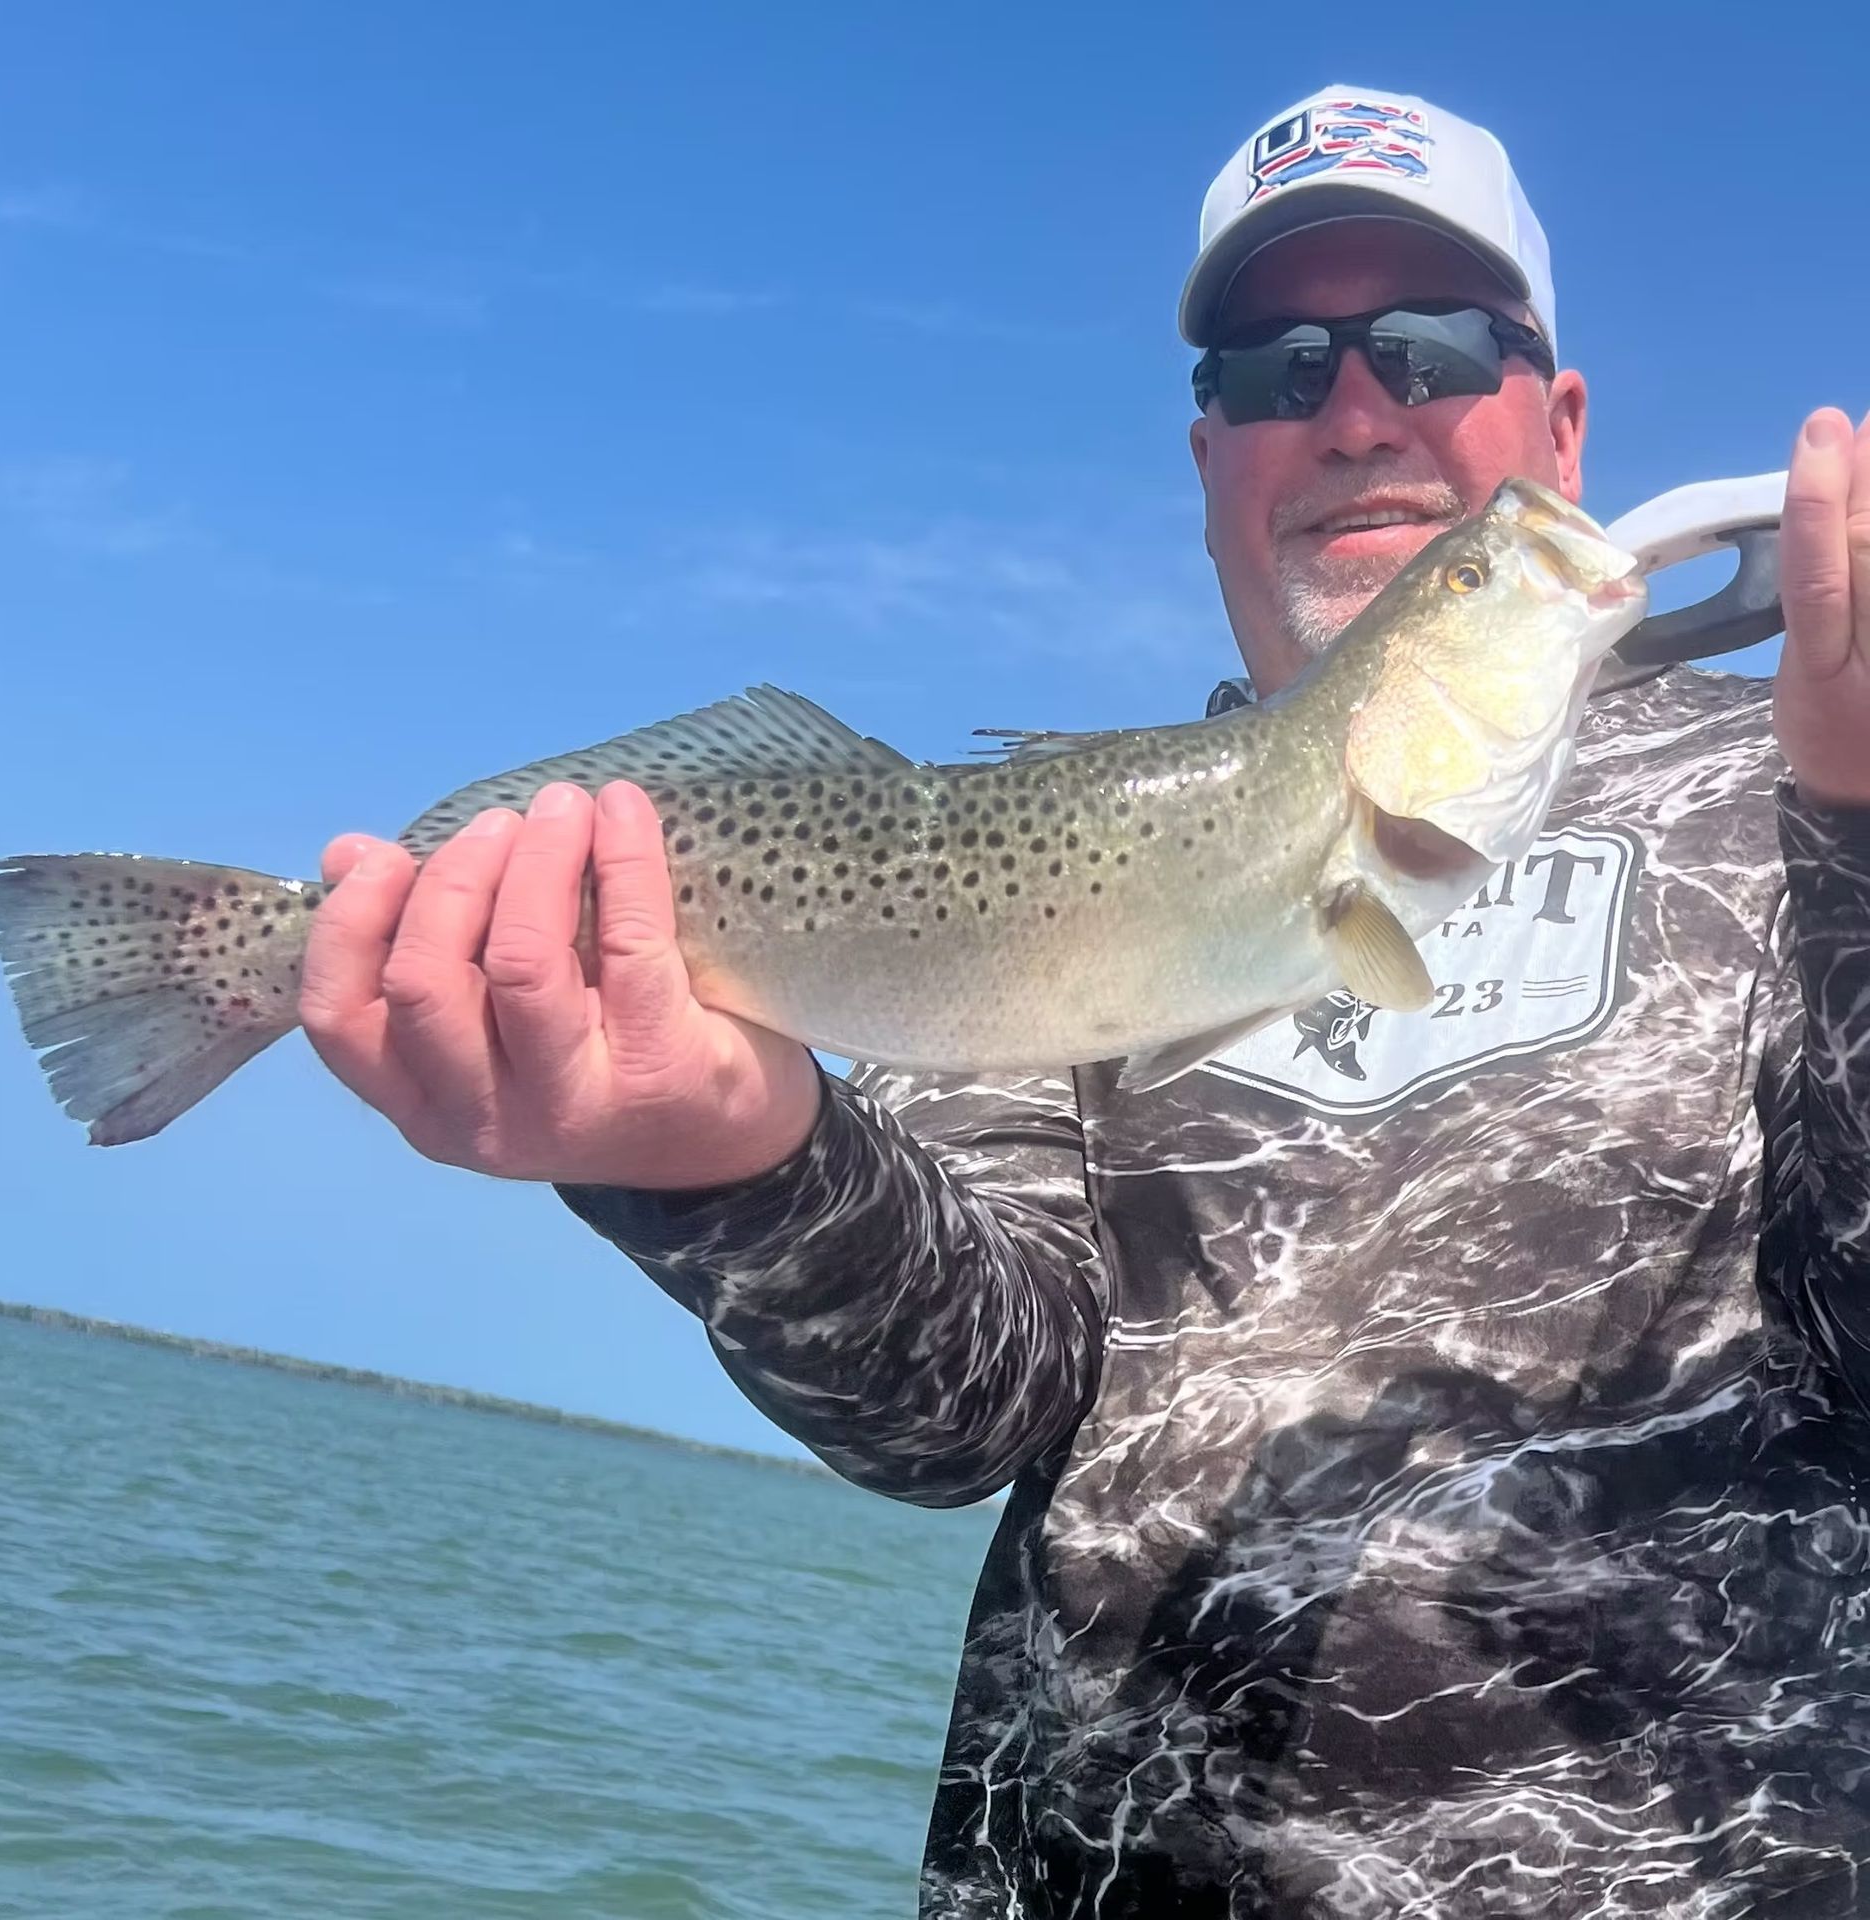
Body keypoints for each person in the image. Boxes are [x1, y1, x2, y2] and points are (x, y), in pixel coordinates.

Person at [298, 84, 1870, 1918]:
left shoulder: (1799, 791)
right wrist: (730, 1157)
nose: (1356, 411)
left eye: (1430, 347)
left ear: (1561, 421)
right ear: (1209, 454)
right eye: (1277, 367)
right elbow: (964, 1408)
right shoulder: (1066, 863)